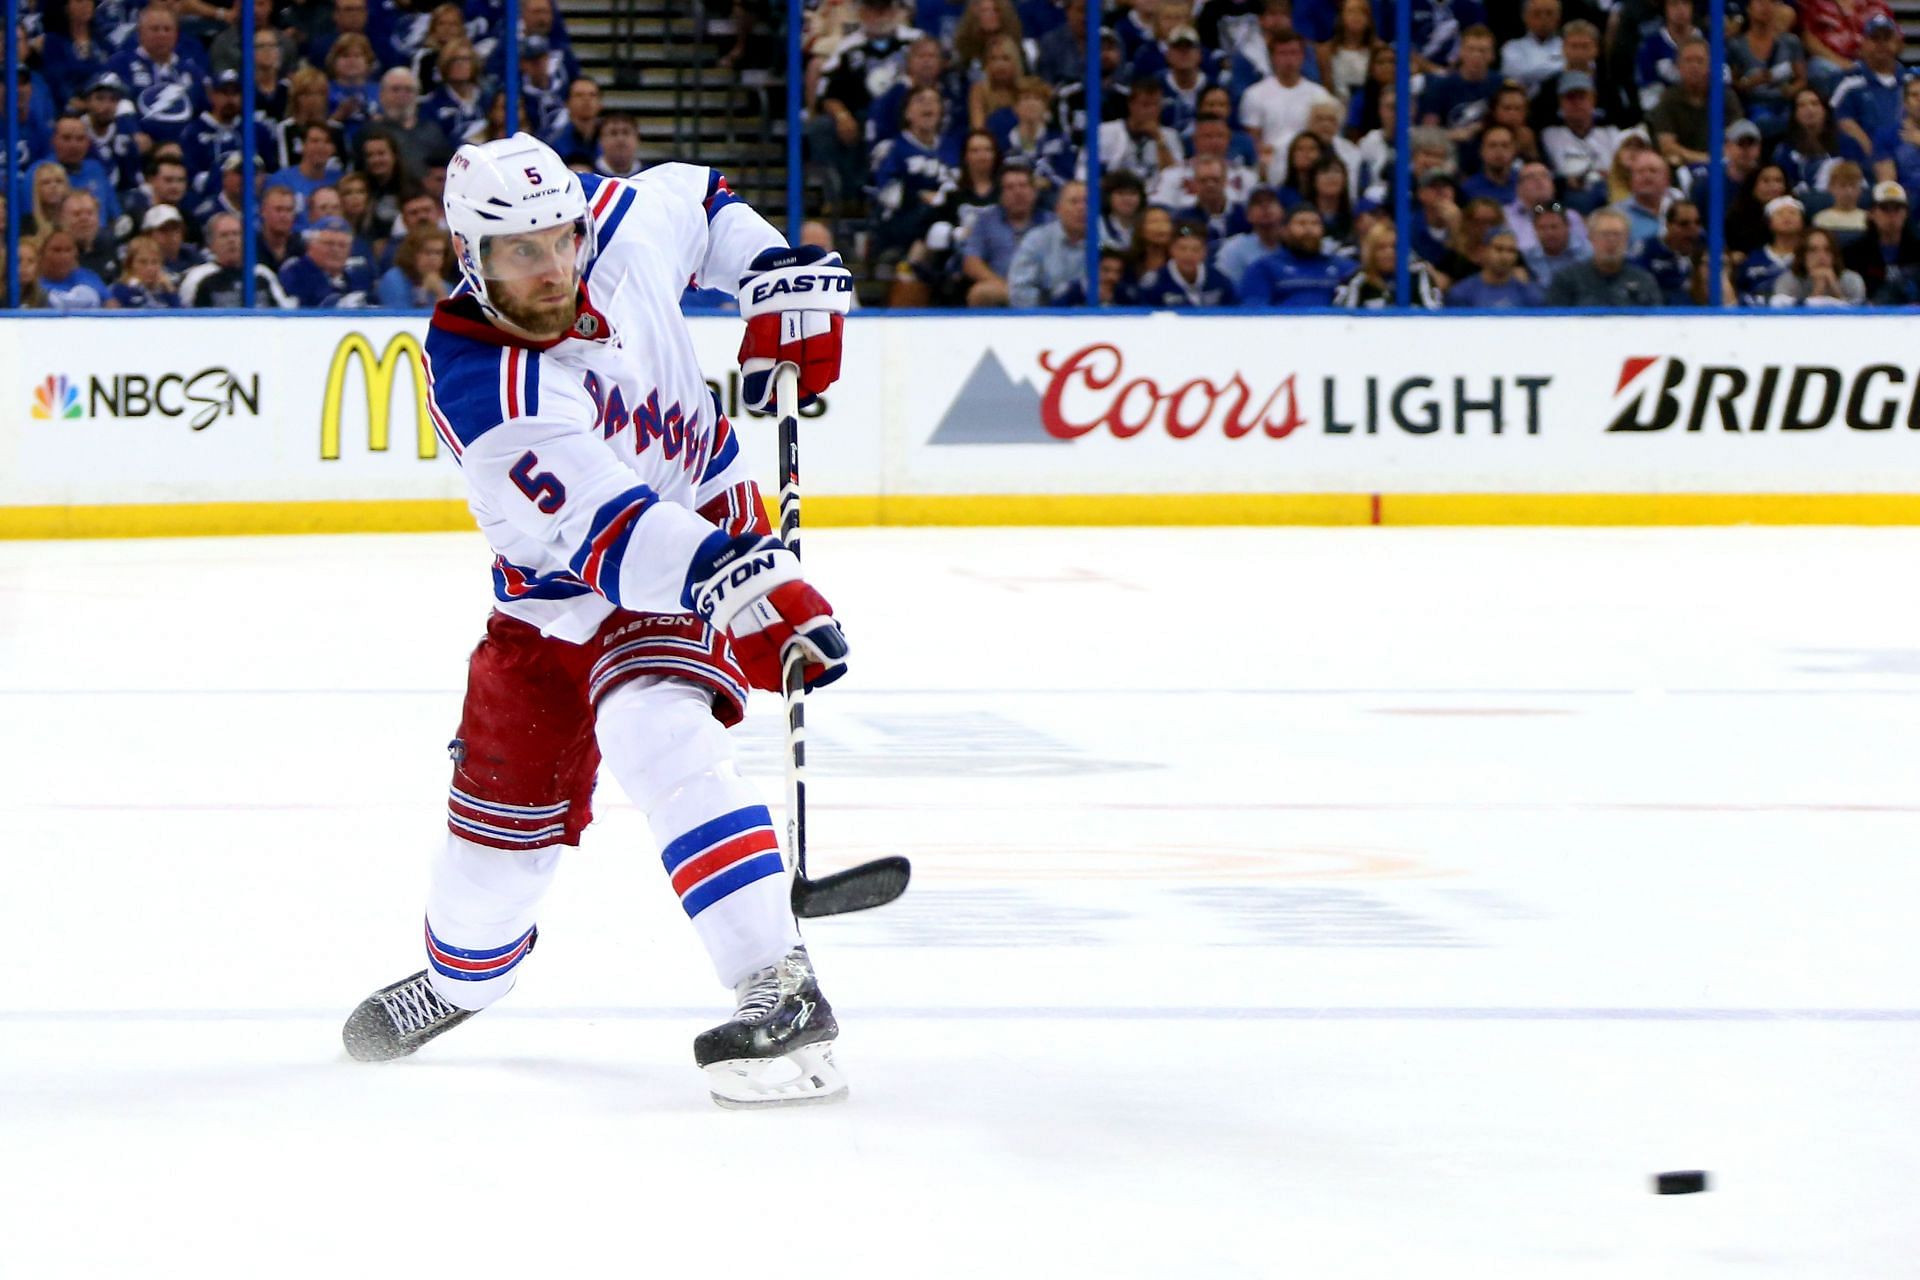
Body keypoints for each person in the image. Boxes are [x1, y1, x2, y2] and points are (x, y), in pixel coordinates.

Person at [338, 133, 858, 1113]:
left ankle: (781, 986)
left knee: (654, 725)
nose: (549, 267)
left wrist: (772, 271)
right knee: (487, 882)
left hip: (696, 528)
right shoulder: (482, 383)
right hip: (555, 606)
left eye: (559, 239)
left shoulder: (617, 231)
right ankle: (461, 982)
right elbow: (611, 534)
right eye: (518, 252)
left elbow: (702, 201)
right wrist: (742, 584)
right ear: (470, 260)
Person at [1238, 205, 1356, 305]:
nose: (1309, 229)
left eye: (1315, 223)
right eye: (1301, 223)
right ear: (1284, 230)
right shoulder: (1264, 268)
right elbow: (1254, 314)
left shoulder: (1344, 268)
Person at [1545, 207, 1662, 305]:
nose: (1611, 241)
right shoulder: (1567, 280)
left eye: (1617, 234)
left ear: (1627, 239)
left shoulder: (1644, 280)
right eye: (1604, 234)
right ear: (1591, 238)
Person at [179, 210, 294, 307]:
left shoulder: (262, 274)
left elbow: (284, 312)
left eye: (236, 234)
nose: (231, 240)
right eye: (224, 235)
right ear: (211, 244)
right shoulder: (197, 277)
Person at [1009, 177, 1089, 304]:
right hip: (1045, 319)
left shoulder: (1103, 241)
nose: (1082, 208)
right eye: (1074, 202)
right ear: (1058, 209)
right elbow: (1018, 291)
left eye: (1087, 202)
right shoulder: (1036, 240)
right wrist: (1054, 303)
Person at [1332, 222, 1443, 307]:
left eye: (1394, 247)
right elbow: (1345, 321)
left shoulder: (1418, 274)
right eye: (1381, 248)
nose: (1389, 252)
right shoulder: (1358, 281)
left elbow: (1434, 315)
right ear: (1371, 253)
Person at [1842, 179, 1920, 299]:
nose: (1892, 215)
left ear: (1906, 213)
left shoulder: (1917, 249)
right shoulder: (1853, 253)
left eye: (1897, 208)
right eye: (1885, 208)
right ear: (1872, 214)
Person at [1132, 217, 1238, 305]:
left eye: (1195, 249)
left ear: (1205, 252)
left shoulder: (1219, 280)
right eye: (1182, 248)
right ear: (1171, 249)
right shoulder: (1153, 283)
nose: (1188, 255)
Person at [278, 214, 374, 307]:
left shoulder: (356, 275)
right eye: (329, 243)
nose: (336, 250)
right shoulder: (295, 272)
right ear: (311, 245)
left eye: (342, 245)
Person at [1444, 227, 1544, 307]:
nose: (1505, 256)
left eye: (1511, 251)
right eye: (1499, 249)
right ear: (1484, 251)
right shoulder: (1461, 293)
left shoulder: (1530, 295)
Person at [1770, 226, 1867, 304]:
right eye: (1813, 250)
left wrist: (1835, 288)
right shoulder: (1788, 281)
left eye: (1827, 250)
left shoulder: (1852, 279)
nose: (1821, 256)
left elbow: (1858, 318)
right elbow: (1785, 319)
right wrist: (1817, 291)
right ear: (1802, 256)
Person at [1634, 199, 1702, 305]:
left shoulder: (1704, 244)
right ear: (1668, 225)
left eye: (1697, 223)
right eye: (1684, 224)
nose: (1692, 229)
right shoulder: (1648, 249)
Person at [375, 223, 454, 307]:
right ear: (411, 254)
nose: (433, 258)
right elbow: (401, 317)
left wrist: (441, 294)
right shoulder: (393, 280)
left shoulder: (445, 286)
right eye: (427, 252)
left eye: (438, 253)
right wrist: (423, 295)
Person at [35, 230, 110, 309]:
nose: (63, 256)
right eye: (56, 250)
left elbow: (112, 305)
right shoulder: (32, 285)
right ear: (41, 253)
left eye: (68, 250)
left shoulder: (89, 277)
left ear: (76, 253)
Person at [1523, 200, 1589, 286]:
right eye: (1542, 228)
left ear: (1567, 226)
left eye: (1554, 227)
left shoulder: (1588, 253)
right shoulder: (1528, 258)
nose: (1549, 233)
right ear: (1535, 229)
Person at [107, 234, 183, 308]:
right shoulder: (118, 291)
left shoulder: (165, 293)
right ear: (130, 265)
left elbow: (182, 318)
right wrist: (136, 285)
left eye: (155, 262)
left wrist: (169, 289)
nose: (150, 268)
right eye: (143, 262)